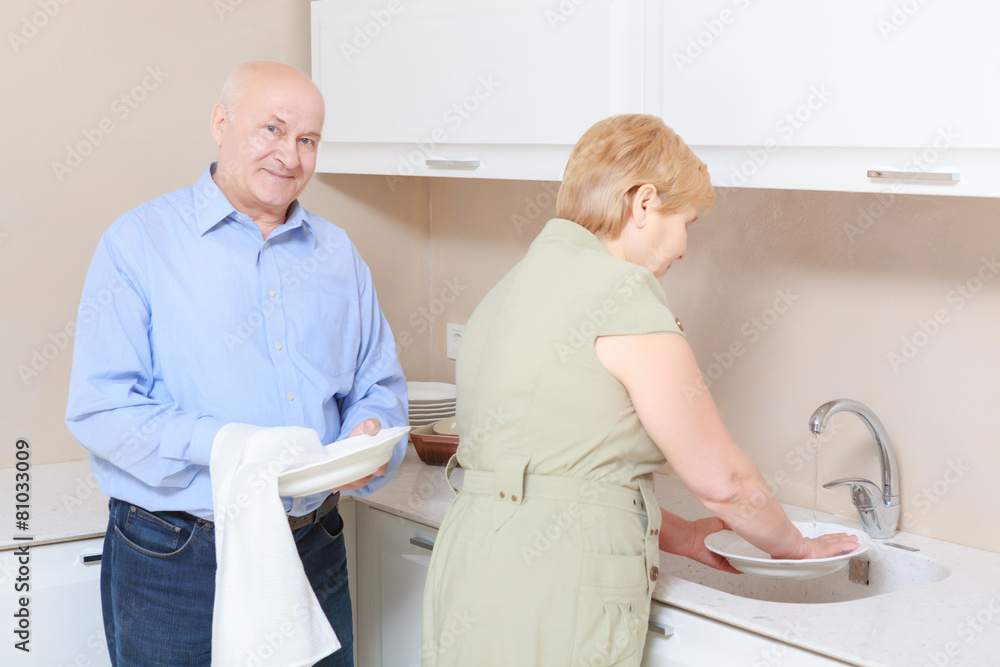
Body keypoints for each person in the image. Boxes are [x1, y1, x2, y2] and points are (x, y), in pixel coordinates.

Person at [421, 114, 858, 666]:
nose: (682, 249)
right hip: (554, 585)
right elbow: (725, 482)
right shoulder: (622, 291)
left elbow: (555, 471)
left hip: (471, 571)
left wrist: (685, 537)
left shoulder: (514, 285)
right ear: (644, 203)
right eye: (688, 224)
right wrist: (796, 547)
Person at [65, 61, 407, 666]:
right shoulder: (139, 242)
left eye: (307, 140)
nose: (290, 156)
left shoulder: (338, 254)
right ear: (220, 124)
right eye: (271, 129)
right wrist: (235, 445)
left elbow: (377, 385)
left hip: (313, 544)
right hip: (178, 555)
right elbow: (102, 409)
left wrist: (368, 436)